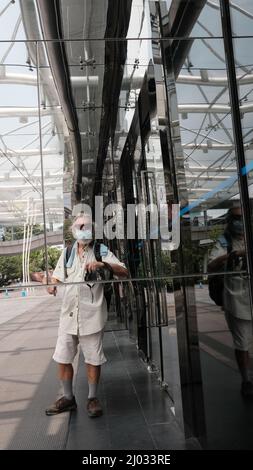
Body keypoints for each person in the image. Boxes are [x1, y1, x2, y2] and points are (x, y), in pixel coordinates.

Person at [44, 214, 128, 417]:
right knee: (63, 358)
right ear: (74, 230)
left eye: (88, 227)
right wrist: (52, 285)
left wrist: (103, 265)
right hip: (68, 315)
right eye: (81, 226)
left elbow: (124, 271)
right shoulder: (67, 253)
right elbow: (56, 277)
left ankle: (92, 398)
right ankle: (68, 398)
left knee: (93, 358)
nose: (85, 230)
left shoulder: (101, 251)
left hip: (92, 315)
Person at [208, 206, 253, 397]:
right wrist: (234, 255)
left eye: (242, 218)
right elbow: (211, 264)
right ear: (229, 220)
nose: (239, 222)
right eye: (235, 218)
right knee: (242, 343)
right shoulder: (224, 241)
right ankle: (246, 380)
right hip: (235, 298)